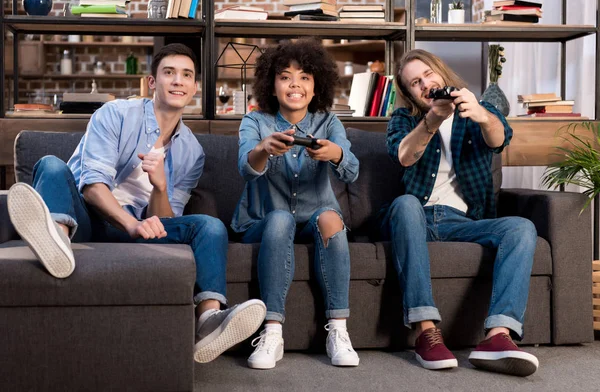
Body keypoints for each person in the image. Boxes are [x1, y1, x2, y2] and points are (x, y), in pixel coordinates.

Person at [7, 43, 266, 364]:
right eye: (169, 73)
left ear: (195, 87)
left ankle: (209, 320)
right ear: (152, 82)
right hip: (84, 218)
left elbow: (162, 220)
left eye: (186, 75)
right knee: (50, 164)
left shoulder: (191, 152)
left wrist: (159, 187)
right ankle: (56, 240)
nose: (178, 81)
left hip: (134, 229)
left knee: (209, 226)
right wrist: (132, 223)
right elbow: (91, 187)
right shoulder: (114, 114)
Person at [381, 49, 539, 377]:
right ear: (409, 93)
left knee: (521, 227)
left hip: (461, 221)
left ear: (441, 72)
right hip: (415, 217)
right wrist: (432, 118)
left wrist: (480, 113)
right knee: (407, 203)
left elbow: (499, 139)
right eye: (415, 83)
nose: (425, 84)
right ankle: (427, 332)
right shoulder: (404, 119)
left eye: (428, 75)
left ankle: (498, 337)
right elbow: (404, 156)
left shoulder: (477, 108)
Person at [232, 38, 360, 369]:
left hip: (314, 219)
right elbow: (246, 169)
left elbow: (352, 171)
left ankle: (339, 332)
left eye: (304, 77)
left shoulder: (329, 122)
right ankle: (272, 332)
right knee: (280, 219)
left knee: (332, 218)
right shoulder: (255, 121)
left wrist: (336, 153)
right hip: (264, 221)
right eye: (285, 76)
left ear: (316, 85)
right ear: (272, 86)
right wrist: (263, 149)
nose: (295, 85)